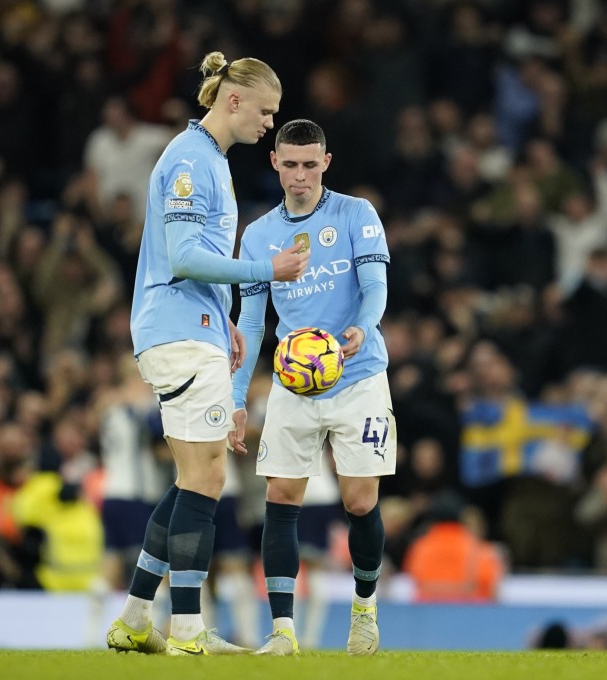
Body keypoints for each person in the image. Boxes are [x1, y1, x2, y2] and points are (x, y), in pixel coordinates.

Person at [105, 51, 308, 657]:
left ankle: (138, 618)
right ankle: (188, 631)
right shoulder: (192, 159)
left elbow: (192, 261)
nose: (270, 124)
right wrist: (263, 270)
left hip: (192, 327)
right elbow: (185, 256)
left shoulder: (208, 159)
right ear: (236, 100)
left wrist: (224, 320)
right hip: (175, 329)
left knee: (191, 481)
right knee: (208, 478)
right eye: (267, 112)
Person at [231, 119, 395, 656]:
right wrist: (236, 399)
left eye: (310, 164)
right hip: (293, 382)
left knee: (359, 499)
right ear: (274, 163)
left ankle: (365, 611)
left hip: (359, 375)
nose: (300, 175)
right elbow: (252, 324)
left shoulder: (356, 214)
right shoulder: (258, 235)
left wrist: (362, 328)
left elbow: (375, 287)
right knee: (281, 496)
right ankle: (282, 632)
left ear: (326, 162)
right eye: (290, 164)